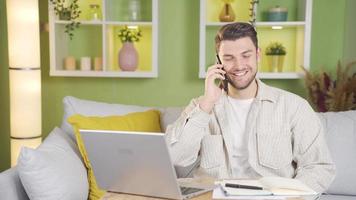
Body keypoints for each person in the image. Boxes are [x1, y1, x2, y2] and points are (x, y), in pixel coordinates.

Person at [165, 22, 335, 193]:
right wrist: (207, 104)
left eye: (246, 55)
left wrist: (288, 197)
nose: (239, 65)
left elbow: (318, 167)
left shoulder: (294, 107)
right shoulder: (200, 106)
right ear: (218, 61)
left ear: (257, 54)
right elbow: (175, 157)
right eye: (229, 58)